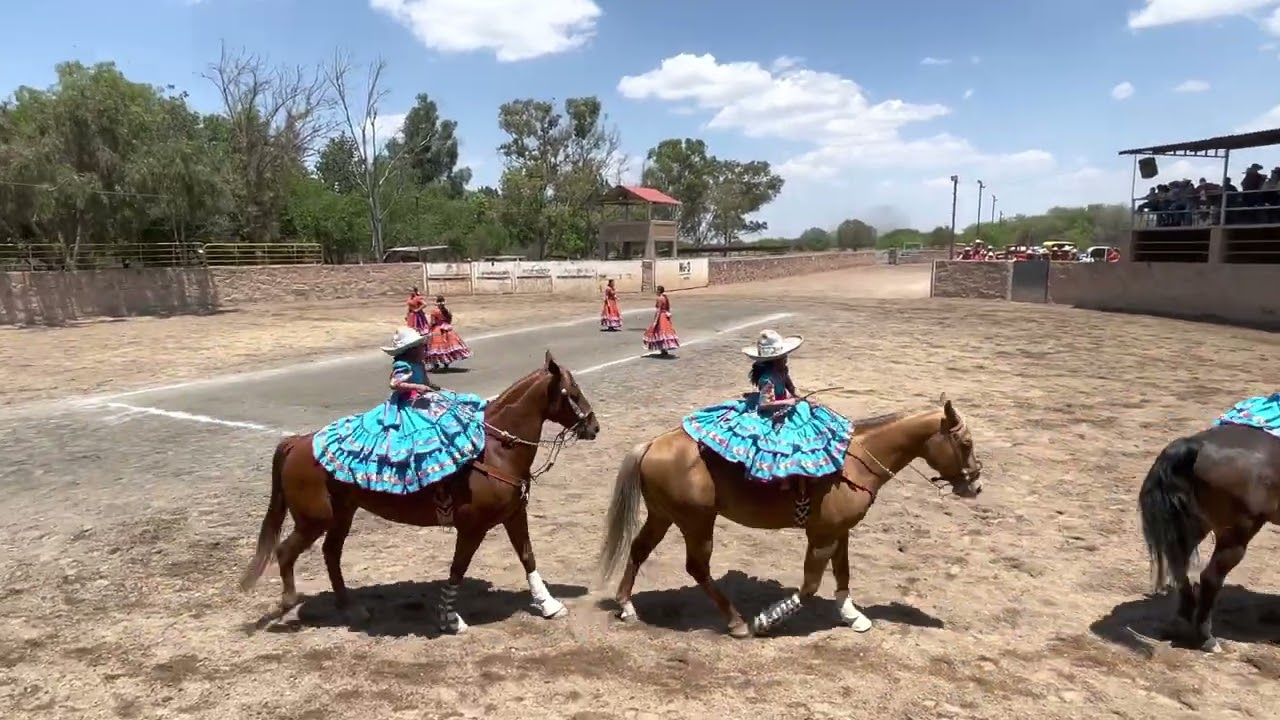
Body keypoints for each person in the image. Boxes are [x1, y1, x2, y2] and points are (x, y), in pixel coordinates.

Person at [312, 327, 488, 494]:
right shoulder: (403, 365)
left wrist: (439, 389)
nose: (424, 350)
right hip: (408, 404)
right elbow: (395, 384)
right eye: (420, 347)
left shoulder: (418, 363)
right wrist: (416, 386)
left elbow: (427, 383)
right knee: (422, 437)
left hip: (423, 399)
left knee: (453, 415)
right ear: (410, 349)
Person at [681, 330, 853, 485]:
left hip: (787, 408)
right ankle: (783, 478)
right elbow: (765, 404)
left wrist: (802, 400)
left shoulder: (783, 371)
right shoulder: (767, 379)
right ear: (774, 359)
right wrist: (787, 402)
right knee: (780, 444)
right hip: (769, 413)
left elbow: (791, 390)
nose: (786, 358)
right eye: (783, 356)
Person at [427, 295, 472, 370]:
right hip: (447, 329)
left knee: (435, 348)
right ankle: (446, 363)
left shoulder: (434, 311)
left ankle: (436, 363)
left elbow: (432, 322)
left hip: (437, 329)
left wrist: (429, 328)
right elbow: (449, 321)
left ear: (436, 302)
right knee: (447, 346)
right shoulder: (448, 310)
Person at [642, 285, 679, 356]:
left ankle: (663, 348)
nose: (656, 291)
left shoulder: (660, 298)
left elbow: (658, 310)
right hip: (665, 316)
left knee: (659, 331)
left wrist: (655, 320)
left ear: (659, 291)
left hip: (661, 316)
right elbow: (668, 308)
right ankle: (664, 348)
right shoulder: (665, 298)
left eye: (657, 290)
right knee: (665, 331)